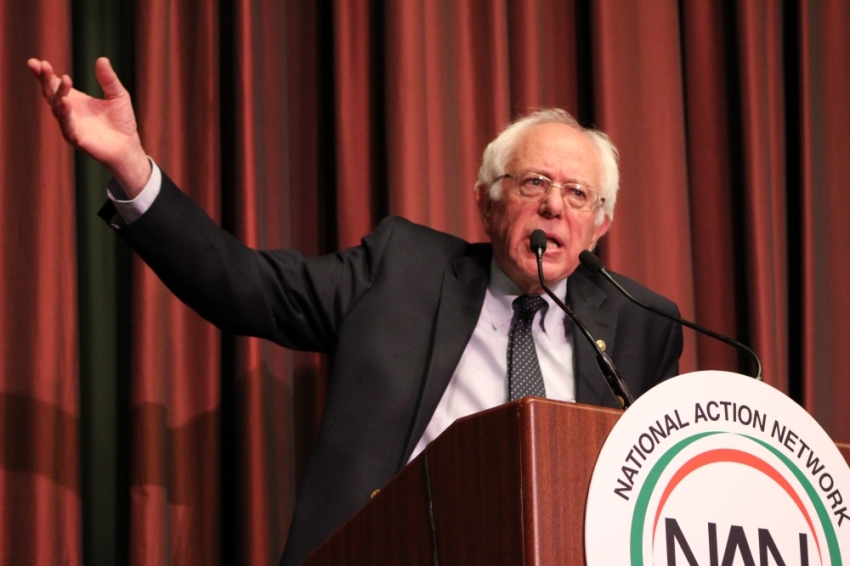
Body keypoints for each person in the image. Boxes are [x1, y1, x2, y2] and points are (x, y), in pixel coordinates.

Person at [30, 57, 683, 565]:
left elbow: (662, 491)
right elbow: (242, 284)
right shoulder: (402, 270)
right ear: (487, 204)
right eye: (533, 183)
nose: (554, 207)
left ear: (599, 227)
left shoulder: (642, 323)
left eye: (577, 195)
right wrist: (131, 167)